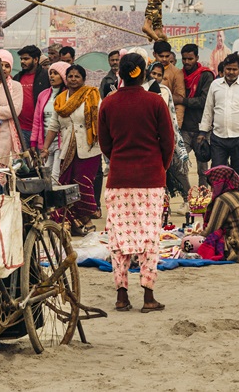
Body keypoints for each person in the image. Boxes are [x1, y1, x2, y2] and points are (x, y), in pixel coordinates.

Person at [97, 52, 174, 313]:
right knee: (149, 237)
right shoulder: (155, 101)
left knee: (119, 237)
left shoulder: (108, 103)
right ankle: (148, 295)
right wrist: (160, 167)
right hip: (150, 179)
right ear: (143, 74)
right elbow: (168, 141)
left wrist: (120, 159)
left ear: (120, 73)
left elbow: (105, 144)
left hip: (119, 179)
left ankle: (121, 295)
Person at [52, 64, 102, 235]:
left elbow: (102, 119)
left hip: (89, 148)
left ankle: (87, 219)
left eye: (77, 76)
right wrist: (45, 148)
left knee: (83, 185)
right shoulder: (60, 100)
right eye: (70, 76)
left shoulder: (92, 95)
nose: (73, 79)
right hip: (67, 149)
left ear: (83, 79)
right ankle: (73, 222)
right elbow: (54, 125)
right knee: (66, 186)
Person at [199, 53, 239, 192]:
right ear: (224, 68)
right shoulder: (215, 85)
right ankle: (218, 200)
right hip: (218, 138)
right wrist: (203, 131)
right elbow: (208, 109)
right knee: (217, 172)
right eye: (228, 69)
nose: (231, 72)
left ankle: (238, 200)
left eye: (234, 69)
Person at [147, 61, 191, 205]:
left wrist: (172, 134)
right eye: (153, 73)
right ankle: (162, 207)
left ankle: (188, 200)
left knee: (176, 169)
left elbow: (170, 113)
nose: (156, 77)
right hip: (148, 138)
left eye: (159, 75)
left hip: (164, 137)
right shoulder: (141, 90)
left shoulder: (165, 91)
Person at [179, 43, 214, 180]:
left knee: (203, 168)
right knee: (178, 163)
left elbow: (204, 101)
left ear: (197, 58)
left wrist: (183, 101)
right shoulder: (179, 75)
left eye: (190, 59)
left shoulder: (206, 75)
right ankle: (185, 191)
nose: (187, 62)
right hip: (184, 128)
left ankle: (203, 192)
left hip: (202, 129)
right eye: (184, 59)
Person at [14, 45, 50, 149]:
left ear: (35, 59)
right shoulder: (17, 78)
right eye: (21, 59)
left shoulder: (46, 77)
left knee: (40, 158)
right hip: (20, 129)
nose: (22, 61)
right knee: (23, 159)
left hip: (41, 130)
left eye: (26, 59)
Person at [36, 61, 70, 170]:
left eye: (56, 73)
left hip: (61, 142)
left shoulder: (68, 96)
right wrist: (33, 141)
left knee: (56, 174)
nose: (52, 76)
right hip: (46, 141)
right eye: (50, 73)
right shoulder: (43, 95)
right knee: (46, 172)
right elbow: (37, 121)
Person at [152, 41, 186, 126]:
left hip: (166, 118)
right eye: (161, 56)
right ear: (154, 54)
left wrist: (177, 126)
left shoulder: (176, 73)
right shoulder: (148, 69)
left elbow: (180, 101)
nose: (164, 59)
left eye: (167, 56)